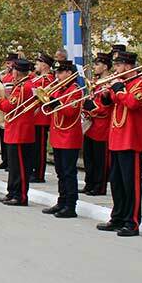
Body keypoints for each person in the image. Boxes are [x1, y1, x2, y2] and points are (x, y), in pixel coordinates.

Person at [97, 51, 142, 237]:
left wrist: (118, 88)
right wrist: (106, 93)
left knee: (131, 184)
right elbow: (109, 104)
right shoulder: (125, 84)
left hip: (131, 140)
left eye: (118, 65)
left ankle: (133, 222)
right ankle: (118, 217)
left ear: (128, 66)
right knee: (117, 183)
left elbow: (133, 103)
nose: (115, 69)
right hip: (116, 139)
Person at [41, 60, 82, 218]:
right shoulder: (59, 89)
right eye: (56, 73)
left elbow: (70, 111)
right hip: (58, 135)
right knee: (60, 172)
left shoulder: (75, 90)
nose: (57, 76)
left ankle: (70, 205)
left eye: (60, 73)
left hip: (69, 136)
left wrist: (55, 102)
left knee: (68, 172)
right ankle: (62, 200)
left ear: (69, 73)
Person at [0, 59, 35, 206]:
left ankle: (21, 195)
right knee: (14, 165)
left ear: (17, 71)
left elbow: (10, 105)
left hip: (21, 130)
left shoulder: (24, 87)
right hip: (15, 129)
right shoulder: (21, 85)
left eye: (13, 70)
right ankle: (12, 192)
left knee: (20, 167)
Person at [82, 52, 112, 195]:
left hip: (102, 126)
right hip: (91, 126)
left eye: (97, 64)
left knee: (100, 159)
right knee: (89, 157)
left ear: (105, 66)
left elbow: (105, 107)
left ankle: (99, 187)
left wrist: (89, 106)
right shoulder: (97, 81)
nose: (95, 67)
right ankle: (89, 183)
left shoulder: (110, 82)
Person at [31, 53, 55, 183]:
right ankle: (34, 170)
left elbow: (46, 97)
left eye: (38, 63)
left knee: (40, 148)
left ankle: (39, 174)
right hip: (34, 117)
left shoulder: (49, 79)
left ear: (45, 65)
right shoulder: (37, 78)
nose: (36, 66)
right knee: (34, 147)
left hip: (41, 117)